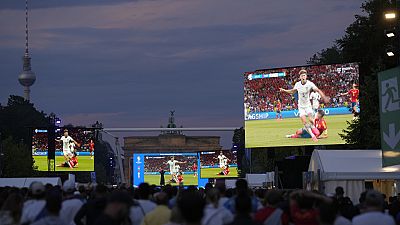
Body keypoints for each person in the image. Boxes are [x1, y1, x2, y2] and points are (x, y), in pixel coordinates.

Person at [280, 69, 329, 142]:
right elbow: (292, 91)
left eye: (304, 75)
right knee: (304, 122)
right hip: (301, 106)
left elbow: (317, 90)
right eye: (302, 75)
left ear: (306, 76)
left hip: (308, 105)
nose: (303, 77)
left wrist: (324, 97)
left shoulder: (310, 84)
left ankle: (313, 128)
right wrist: (284, 90)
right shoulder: (297, 84)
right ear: (300, 77)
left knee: (310, 120)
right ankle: (312, 135)